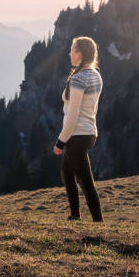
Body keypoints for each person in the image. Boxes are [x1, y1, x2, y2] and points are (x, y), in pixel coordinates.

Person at [52, 36, 104, 222]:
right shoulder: (95, 75)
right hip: (90, 131)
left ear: (81, 54)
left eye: (73, 49)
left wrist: (60, 141)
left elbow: (72, 117)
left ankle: (98, 221)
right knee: (67, 174)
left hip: (77, 134)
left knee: (85, 180)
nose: (70, 53)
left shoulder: (78, 79)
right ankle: (75, 214)